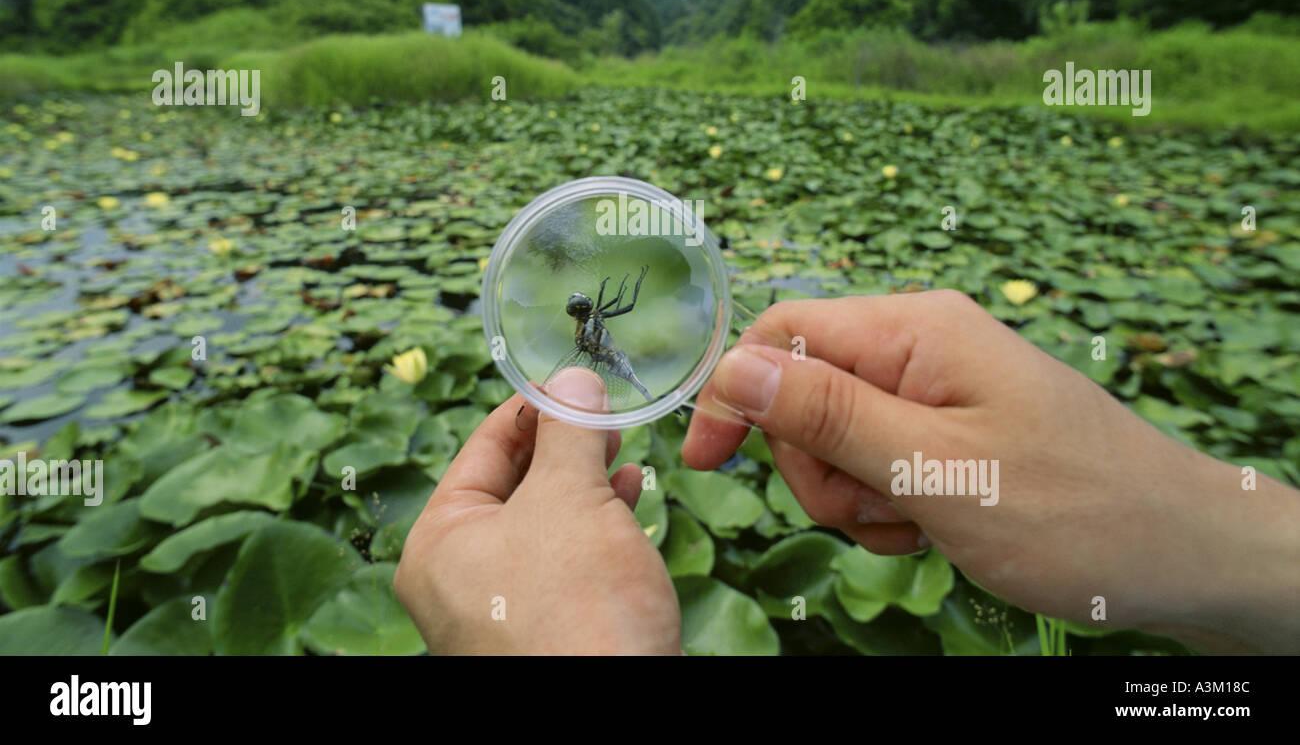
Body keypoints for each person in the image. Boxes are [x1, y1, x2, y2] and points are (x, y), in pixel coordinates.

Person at [394, 290, 1300, 654]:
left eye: (589, 306)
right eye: (590, 308)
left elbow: (619, 308)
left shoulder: (594, 335)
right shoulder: (602, 326)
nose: (591, 310)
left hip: (615, 374)